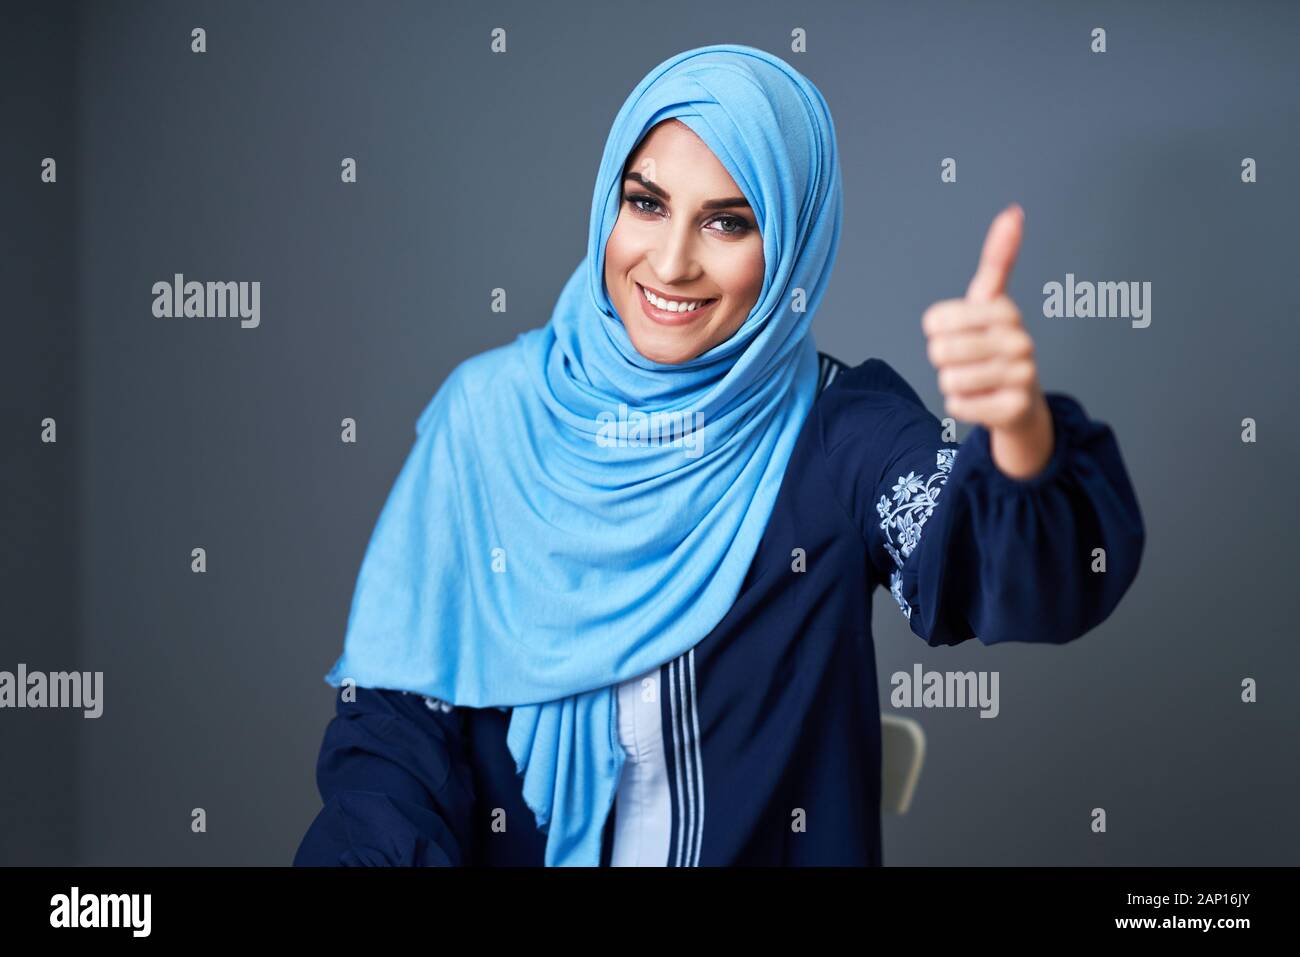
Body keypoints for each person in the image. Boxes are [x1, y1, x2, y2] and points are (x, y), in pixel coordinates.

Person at [293, 44, 1144, 867]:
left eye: (729, 221)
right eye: (647, 203)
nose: (670, 261)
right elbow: (397, 726)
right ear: (608, 207)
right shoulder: (488, 417)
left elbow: (1011, 575)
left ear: (791, 248)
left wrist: (1020, 440)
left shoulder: (838, 431)